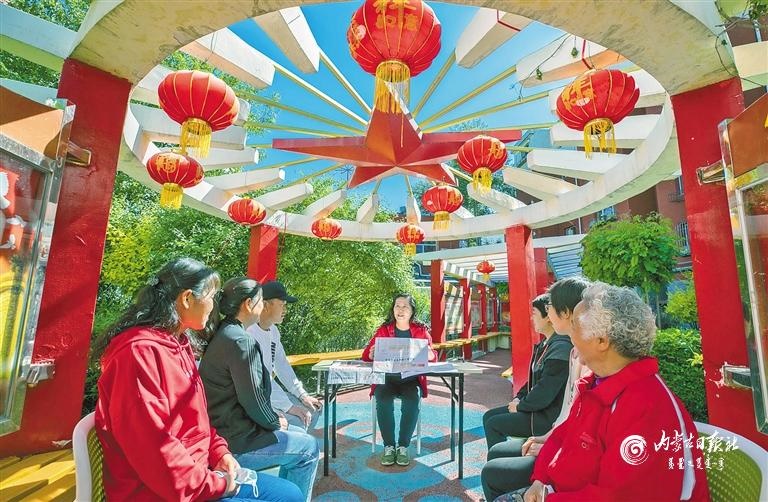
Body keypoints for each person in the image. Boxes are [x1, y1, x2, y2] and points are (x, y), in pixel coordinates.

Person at [93, 258, 301, 501]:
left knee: (290, 493)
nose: (214, 306)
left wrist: (219, 452)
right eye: (211, 297)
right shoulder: (138, 355)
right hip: (159, 492)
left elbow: (198, 420)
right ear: (187, 298)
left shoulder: (179, 344)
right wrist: (216, 484)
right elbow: (153, 450)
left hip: (200, 471)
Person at [519, 283, 709, 501]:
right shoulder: (597, 384)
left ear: (602, 341)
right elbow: (562, 436)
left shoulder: (645, 406)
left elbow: (620, 496)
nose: (570, 335)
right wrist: (540, 480)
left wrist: (547, 498)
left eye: (575, 326)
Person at [200, 277, 319, 502]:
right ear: (249, 304)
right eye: (261, 301)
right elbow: (253, 399)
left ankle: (289, 494)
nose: (263, 306)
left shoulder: (226, 332)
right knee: (308, 448)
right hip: (235, 441)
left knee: (300, 436)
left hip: (225, 432)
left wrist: (294, 401)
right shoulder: (242, 342)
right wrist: (275, 421)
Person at [481, 278, 589, 501]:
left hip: (545, 420)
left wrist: (524, 408)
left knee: (492, 466)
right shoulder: (570, 352)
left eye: (549, 308)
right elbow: (567, 411)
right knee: (495, 447)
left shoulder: (569, 352)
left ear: (567, 313)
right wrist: (550, 437)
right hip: (555, 431)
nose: (545, 313)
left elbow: (550, 397)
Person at [482, 293, 572, 450]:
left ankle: (501, 459)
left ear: (548, 316)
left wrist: (520, 406)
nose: (532, 318)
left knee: (493, 423)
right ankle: (503, 456)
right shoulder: (546, 344)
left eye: (534, 313)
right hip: (538, 410)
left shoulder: (560, 347)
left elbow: (545, 391)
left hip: (546, 416)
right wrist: (518, 398)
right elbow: (532, 381)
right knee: (489, 416)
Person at [361, 293, 437, 467]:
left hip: (411, 379)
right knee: (382, 400)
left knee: (412, 401)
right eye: (397, 306)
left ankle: (403, 446)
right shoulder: (384, 329)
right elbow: (366, 355)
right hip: (386, 379)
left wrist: (430, 354)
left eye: (405, 307)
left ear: (412, 311)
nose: (400, 310)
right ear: (393, 309)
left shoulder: (421, 330)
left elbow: (433, 356)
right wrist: (371, 354)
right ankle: (389, 446)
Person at [246, 281, 322, 430]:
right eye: (282, 305)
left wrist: (302, 395)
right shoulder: (248, 334)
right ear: (265, 305)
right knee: (299, 420)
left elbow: (282, 366)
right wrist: (288, 407)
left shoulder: (273, 331)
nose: (285, 310)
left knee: (314, 409)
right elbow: (257, 381)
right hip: (253, 400)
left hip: (267, 394)